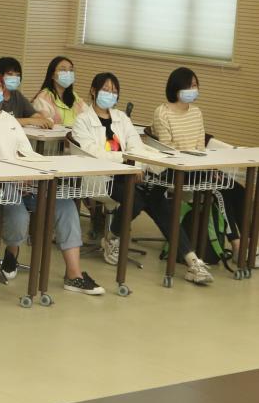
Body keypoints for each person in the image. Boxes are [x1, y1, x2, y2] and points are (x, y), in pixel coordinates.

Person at [0, 68, 104, 296]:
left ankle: (74, 275)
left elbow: (27, 152)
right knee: (19, 214)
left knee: (65, 206)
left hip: (23, 182)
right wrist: (14, 174)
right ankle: (12, 252)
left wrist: (36, 171)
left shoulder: (8, 119)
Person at [73, 72, 211, 284]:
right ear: (93, 91)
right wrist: (128, 161)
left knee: (156, 200)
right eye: (106, 90)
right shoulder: (82, 120)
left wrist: (135, 164)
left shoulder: (121, 118)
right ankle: (113, 237)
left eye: (114, 91)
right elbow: (94, 152)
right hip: (102, 176)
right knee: (140, 199)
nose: (110, 94)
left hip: (130, 174)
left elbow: (136, 146)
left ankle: (192, 261)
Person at [150, 66, 248, 266]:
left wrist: (209, 167)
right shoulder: (162, 112)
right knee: (219, 191)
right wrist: (197, 164)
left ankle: (248, 241)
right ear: (176, 87)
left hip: (197, 167)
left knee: (237, 189)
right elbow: (168, 149)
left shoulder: (196, 113)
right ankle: (236, 243)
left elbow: (200, 147)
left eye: (195, 85)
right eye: (189, 85)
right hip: (176, 169)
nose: (193, 89)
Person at [0, 57, 53, 129]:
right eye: (10, 74)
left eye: (17, 75)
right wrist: (30, 121)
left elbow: (33, 114)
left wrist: (43, 120)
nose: (14, 78)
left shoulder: (17, 95)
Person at [33, 56, 80, 126]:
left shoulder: (74, 96)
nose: (68, 73)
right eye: (63, 70)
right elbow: (45, 122)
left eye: (71, 70)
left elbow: (87, 117)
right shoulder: (43, 98)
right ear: (52, 75)